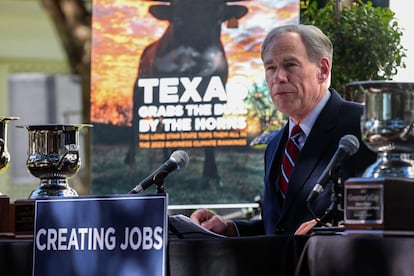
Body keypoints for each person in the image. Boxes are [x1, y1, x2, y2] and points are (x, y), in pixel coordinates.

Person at [190, 24, 377, 236]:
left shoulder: (365, 126)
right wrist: (230, 229)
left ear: (323, 70)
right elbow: (279, 229)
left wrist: (334, 232)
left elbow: (391, 216)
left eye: (290, 65)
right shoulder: (275, 145)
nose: (279, 77)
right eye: (270, 67)